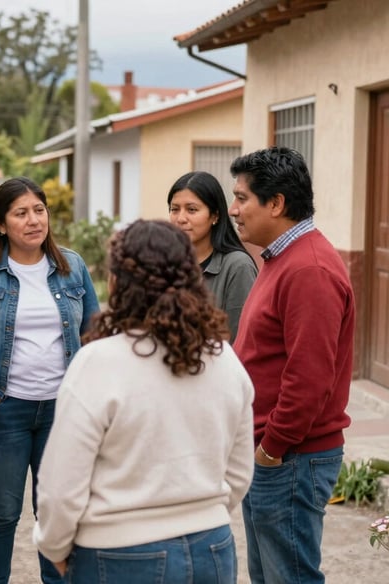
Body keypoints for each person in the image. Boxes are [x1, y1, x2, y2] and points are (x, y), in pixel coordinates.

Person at [34, 219, 255, 583]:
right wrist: (201, 512)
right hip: (212, 549)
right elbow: (239, 469)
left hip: (118, 554)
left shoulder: (97, 362)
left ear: (118, 282)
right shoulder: (224, 359)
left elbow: (61, 485)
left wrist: (54, 548)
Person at [0, 177, 99, 584]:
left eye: (39, 210)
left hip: (62, 414)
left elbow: (94, 333)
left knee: (55, 511)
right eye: (21, 213)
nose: (34, 221)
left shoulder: (72, 265)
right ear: (0, 223)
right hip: (3, 412)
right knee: (3, 512)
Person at [229, 146, 355, 584]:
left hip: (291, 458)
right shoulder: (281, 258)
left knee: (291, 577)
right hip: (272, 453)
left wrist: (272, 448)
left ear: (276, 203)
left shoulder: (309, 269)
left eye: (242, 198)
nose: (234, 210)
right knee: (268, 576)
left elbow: (309, 378)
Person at [168, 170, 257, 341]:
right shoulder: (167, 264)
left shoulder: (237, 266)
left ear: (215, 215)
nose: (180, 218)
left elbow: (241, 340)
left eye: (192, 210)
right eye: (174, 209)